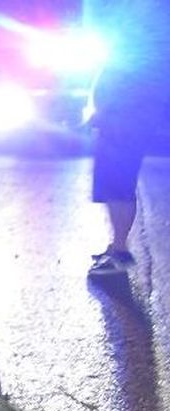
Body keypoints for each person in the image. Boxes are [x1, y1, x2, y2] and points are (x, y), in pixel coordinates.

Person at [88, 0, 169, 275]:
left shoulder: (147, 38)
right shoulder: (136, 32)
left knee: (119, 185)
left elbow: (134, 84)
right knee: (114, 185)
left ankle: (120, 250)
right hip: (119, 119)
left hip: (125, 121)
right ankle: (117, 246)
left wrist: (110, 111)